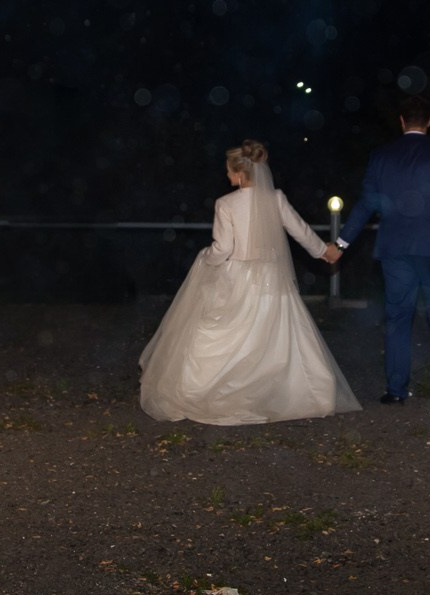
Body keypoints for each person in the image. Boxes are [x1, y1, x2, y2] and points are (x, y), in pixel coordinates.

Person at [138, 140, 361, 425]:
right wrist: (323, 251)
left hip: (238, 278)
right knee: (279, 335)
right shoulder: (276, 198)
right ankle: (284, 391)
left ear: (240, 173)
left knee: (222, 329)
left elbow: (224, 248)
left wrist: (206, 257)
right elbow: (300, 231)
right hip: (272, 278)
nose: (227, 176)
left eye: (229, 172)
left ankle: (219, 391)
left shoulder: (226, 204)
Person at [327, 95, 430, 404]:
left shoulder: (382, 156)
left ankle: (396, 391)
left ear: (402, 121)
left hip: (395, 248)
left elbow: (366, 203)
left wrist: (342, 242)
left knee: (397, 318)